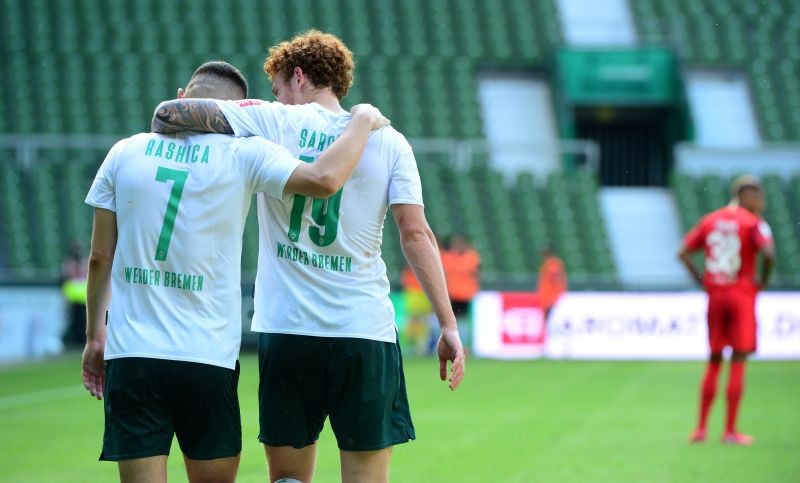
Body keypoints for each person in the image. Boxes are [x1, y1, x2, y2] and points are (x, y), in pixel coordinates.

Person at [151, 30, 465, 483]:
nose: (274, 97)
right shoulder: (389, 140)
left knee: (288, 481)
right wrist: (448, 325)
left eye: (277, 87)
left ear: (297, 77)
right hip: (364, 332)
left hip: (287, 330)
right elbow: (415, 233)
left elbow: (171, 113)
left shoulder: (271, 121)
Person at [82, 60, 389, 483]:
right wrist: (364, 120)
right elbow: (324, 179)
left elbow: (99, 257)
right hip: (206, 355)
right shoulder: (245, 151)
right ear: (236, 113)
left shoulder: (124, 151)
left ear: (182, 97)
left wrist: (95, 336)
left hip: (131, 351)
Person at [678, 175, 775, 446]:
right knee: (738, 360)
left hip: (716, 293)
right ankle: (730, 431)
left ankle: (700, 429)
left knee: (714, 358)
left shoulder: (710, 219)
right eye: (758, 195)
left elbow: (683, 252)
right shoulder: (754, 223)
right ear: (746, 194)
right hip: (741, 292)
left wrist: (703, 281)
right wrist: (762, 283)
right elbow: (769, 254)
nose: (761, 202)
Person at [441, 233, 481, 348]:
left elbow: (477, 274)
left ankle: (461, 346)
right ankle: (454, 345)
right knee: (451, 322)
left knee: (461, 322)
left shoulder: (471, 257)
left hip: (464, 295)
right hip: (451, 294)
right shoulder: (447, 257)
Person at [61, 240, 88, 346]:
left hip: (80, 294)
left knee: (82, 320)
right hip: (75, 294)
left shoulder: (80, 261)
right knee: (74, 320)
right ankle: (73, 342)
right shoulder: (70, 262)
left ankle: (80, 341)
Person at [536, 247, 567, 320]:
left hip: (551, 299)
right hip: (548, 298)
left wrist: (555, 297)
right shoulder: (549, 263)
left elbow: (555, 275)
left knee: (549, 320)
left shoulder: (552, 263)